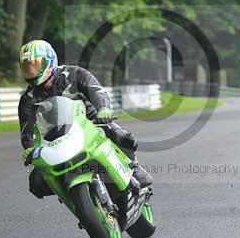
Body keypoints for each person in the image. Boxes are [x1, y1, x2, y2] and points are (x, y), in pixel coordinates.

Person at [17, 40, 152, 199]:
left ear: (49, 60)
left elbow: (96, 90)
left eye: (35, 65)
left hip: (91, 122)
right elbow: (26, 130)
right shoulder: (28, 99)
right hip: (55, 138)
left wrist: (103, 108)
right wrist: (29, 148)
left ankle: (133, 167)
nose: (31, 71)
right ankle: (72, 196)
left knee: (121, 135)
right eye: (27, 68)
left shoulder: (73, 74)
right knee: (36, 182)